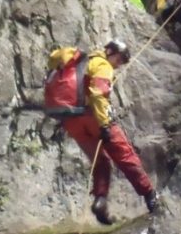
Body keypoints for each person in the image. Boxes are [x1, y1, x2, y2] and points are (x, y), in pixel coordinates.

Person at [46, 40, 159, 224]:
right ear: (111, 52)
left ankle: (100, 201)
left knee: (101, 162)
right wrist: (105, 124)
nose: (119, 64)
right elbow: (98, 94)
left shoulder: (78, 62)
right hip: (94, 119)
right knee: (125, 156)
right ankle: (150, 196)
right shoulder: (102, 65)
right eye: (120, 59)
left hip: (72, 121)